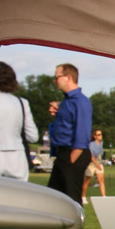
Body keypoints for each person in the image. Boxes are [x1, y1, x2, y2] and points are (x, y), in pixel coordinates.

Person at [46, 63, 93, 204]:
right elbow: (68, 126)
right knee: (54, 198)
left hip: (72, 154)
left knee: (72, 201)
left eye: (57, 77)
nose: (55, 81)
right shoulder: (67, 102)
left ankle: (76, 225)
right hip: (63, 155)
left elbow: (83, 133)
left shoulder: (81, 102)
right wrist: (59, 114)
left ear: (67, 77)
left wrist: (71, 159)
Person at [81, 128, 106, 202]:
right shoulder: (91, 144)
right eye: (98, 135)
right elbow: (90, 156)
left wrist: (99, 164)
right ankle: (83, 197)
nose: (100, 136)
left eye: (101, 134)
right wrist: (96, 164)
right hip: (91, 164)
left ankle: (104, 196)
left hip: (99, 163)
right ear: (95, 136)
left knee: (101, 180)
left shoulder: (101, 142)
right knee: (87, 181)